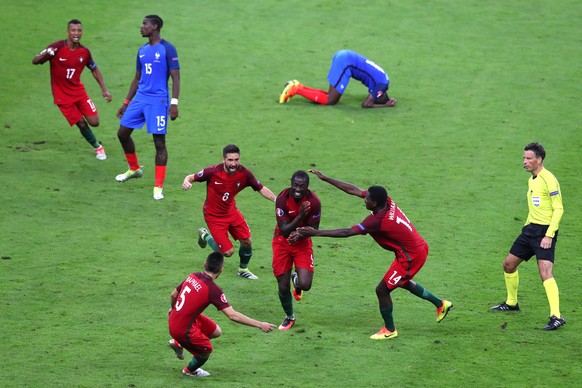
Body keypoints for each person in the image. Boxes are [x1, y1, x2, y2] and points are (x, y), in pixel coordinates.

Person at [293, 170, 452, 340]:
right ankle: (440, 304)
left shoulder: (377, 221)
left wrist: (314, 233)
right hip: (413, 249)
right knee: (401, 282)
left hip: (411, 257)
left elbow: (347, 232)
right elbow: (353, 190)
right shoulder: (386, 202)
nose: (364, 199)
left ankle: (390, 330)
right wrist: (326, 179)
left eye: (367, 199)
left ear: (374, 203)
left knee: (382, 290)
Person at [491, 143, 565, 331]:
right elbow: (536, 207)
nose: (524, 162)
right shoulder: (532, 179)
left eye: (528, 158)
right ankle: (511, 302)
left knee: (545, 273)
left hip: (544, 233)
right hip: (530, 230)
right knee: (508, 264)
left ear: (539, 159)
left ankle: (556, 316)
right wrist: (527, 225)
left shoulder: (549, 179)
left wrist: (549, 235)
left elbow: (558, 209)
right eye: (524, 158)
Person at [167, 251, 276, 378]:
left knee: (216, 332)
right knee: (206, 350)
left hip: (177, 317)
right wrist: (260, 324)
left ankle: (179, 343)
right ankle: (189, 370)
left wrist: (172, 308)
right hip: (182, 329)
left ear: (204, 264)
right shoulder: (213, 290)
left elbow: (173, 294)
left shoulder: (193, 275)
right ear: (221, 270)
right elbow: (233, 315)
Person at [182, 144, 276, 280]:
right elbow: (192, 177)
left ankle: (243, 269)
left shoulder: (244, 174)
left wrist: (277, 200)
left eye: (236, 160)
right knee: (228, 252)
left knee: (247, 241)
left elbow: (260, 188)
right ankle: (204, 235)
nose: (233, 163)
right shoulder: (212, 172)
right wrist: (186, 181)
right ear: (223, 159)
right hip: (213, 216)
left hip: (231, 212)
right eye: (230, 160)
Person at [115, 15, 180, 201]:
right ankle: (134, 168)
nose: (141, 27)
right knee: (122, 133)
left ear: (155, 26)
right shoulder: (142, 51)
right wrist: (126, 102)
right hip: (140, 98)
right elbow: (137, 78)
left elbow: (176, 77)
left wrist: (174, 103)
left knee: (159, 143)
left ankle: (158, 186)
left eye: (145, 24)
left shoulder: (167, 48)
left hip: (158, 101)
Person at [32, 19, 112, 160]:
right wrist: (46, 55)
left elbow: (94, 69)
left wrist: (104, 90)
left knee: (95, 122)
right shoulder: (56, 47)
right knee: (81, 123)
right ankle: (98, 147)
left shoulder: (84, 52)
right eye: (73, 30)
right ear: (68, 32)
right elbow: (35, 60)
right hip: (62, 96)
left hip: (79, 92)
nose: (76, 33)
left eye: (79, 30)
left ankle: (97, 145)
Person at [272, 170, 322, 330]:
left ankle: (297, 280)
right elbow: (285, 230)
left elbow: (314, 228)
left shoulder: (314, 202)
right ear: (291, 184)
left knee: (306, 284)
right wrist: (300, 217)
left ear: (307, 186)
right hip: (282, 242)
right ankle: (290, 316)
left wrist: (300, 234)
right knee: (283, 287)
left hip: (302, 242)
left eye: (302, 186)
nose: (298, 189)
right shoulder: (282, 199)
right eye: (295, 186)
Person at [278, 49, 396, 108]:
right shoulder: (382, 85)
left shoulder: (384, 78)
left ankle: (299, 86)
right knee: (331, 100)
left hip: (344, 55)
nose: (373, 97)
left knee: (330, 95)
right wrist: (386, 105)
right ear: (380, 94)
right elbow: (366, 104)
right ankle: (295, 89)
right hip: (345, 62)